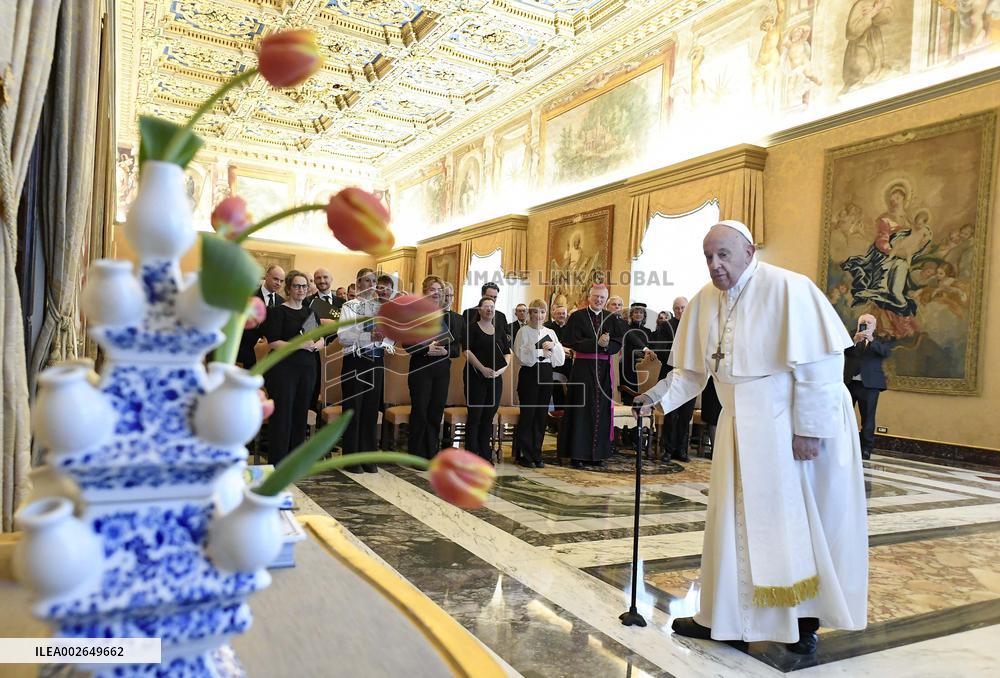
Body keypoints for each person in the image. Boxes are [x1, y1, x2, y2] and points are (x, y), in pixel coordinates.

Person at [634, 220, 867, 654]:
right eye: (708, 256)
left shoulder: (789, 289)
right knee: (730, 524)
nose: (715, 265)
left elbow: (821, 364)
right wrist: (656, 398)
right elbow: (690, 371)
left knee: (797, 525)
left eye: (723, 254)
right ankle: (724, 618)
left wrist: (809, 429)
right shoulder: (705, 300)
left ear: (749, 251)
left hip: (785, 423)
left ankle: (801, 623)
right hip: (737, 422)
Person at [556, 284, 623, 469]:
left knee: (601, 410)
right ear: (589, 297)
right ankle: (577, 454)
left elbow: (618, 342)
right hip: (583, 370)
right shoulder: (577, 316)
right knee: (581, 410)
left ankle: (597, 454)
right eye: (596, 296)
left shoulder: (611, 318)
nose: (599, 300)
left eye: (602, 297)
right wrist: (596, 343)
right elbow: (570, 340)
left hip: (603, 370)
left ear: (606, 299)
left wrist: (607, 346)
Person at [261, 271, 323, 465]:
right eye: (296, 286)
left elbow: (320, 337)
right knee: (283, 416)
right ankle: (278, 462)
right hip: (283, 371)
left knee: (300, 414)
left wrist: (317, 344)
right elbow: (273, 342)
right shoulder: (278, 312)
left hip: (307, 369)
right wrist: (299, 345)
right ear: (288, 288)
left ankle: (295, 462)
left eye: (304, 286)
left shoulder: (309, 313)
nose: (301, 289)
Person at [339, 268, 396, 473]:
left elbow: (391, 338)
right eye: (366, 280)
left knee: (371, 411)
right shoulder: (349, 306)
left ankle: (367, 457)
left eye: (374, 281)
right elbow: (343, 336)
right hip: (355, 361)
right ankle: (351, 459)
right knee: (354, 410)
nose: (371, 284)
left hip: (376, 362)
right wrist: (368, 337)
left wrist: (383, 338)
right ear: (358, 283)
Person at [404, 276, 460, 459]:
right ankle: (416, 454)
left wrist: (446, 351)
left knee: (436, 412)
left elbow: (457, 349)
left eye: (439, 290)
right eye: (432, 289)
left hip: (442, 371)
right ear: (424, 291)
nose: (436, 293)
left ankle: (431, 452)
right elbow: (407, 345)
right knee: (420, 411)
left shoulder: (448, 317)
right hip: (421, 369)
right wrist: (427, 349)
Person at [514, 300, 565, 468]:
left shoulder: (550, 332)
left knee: (541, 415)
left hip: (546, 374)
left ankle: (536, 453)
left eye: (542, 312)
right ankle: (524, 454)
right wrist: (539, 351)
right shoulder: (523, 331)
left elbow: (559, 360)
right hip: (530, 374)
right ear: (530, 313)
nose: (539, 315)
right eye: (535, 312)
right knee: (528, 414)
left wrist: (554, 346)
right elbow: (520, 356)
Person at [462, 296, 511, 463]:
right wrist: (482, 369)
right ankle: (470, 456)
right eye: (486, 306)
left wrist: (500, 371)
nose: (490, 309)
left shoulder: (499, 330)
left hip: (495, 379)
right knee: (475, 417)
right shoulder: (471, 328)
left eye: (492, 307)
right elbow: (466, 351)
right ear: (479, 310)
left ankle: (484, 455)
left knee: (488, 417)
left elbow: (508, 353)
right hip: (475, 377)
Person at [844, 314, 890, 460]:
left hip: (870, 386)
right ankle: (844, 446)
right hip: (849, 383)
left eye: (869, 322)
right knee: (844, 416)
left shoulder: (880, 338)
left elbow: (885, 352)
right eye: (863, 322)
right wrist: (854, 341)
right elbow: (842, 351)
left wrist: (871, 340)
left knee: (868, 419)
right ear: (858, 324)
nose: (866, 324)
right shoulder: (849, 336)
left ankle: (866, 449)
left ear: (874, 326)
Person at [661, 297, 696, 462]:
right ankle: (667, 450)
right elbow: (660, 349)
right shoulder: (666, 326)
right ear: (673, 309)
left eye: (683, 308)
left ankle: (681, 450)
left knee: (685, 415)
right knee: (671, 414)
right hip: (672, 374)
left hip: (690, 377)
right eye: (677, 308)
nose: (680, 311)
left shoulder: (695, 326)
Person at [238, 264, 284, 368]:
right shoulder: (250, 296)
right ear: (267, 276)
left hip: (272, 357)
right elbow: (241, 324)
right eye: (276, 279)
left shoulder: (282, 302)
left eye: (281, 281)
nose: (278, 283)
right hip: (248, 353)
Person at [619, 302, 652, 406]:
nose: (638, 314)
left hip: (644, 365)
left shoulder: (648, 331)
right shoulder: (626, 327)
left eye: (641, 312)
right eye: (636, 312)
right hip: (628, 364)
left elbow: (650, 347)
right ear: (631, 315)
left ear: (644, 315)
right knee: (629, 394)